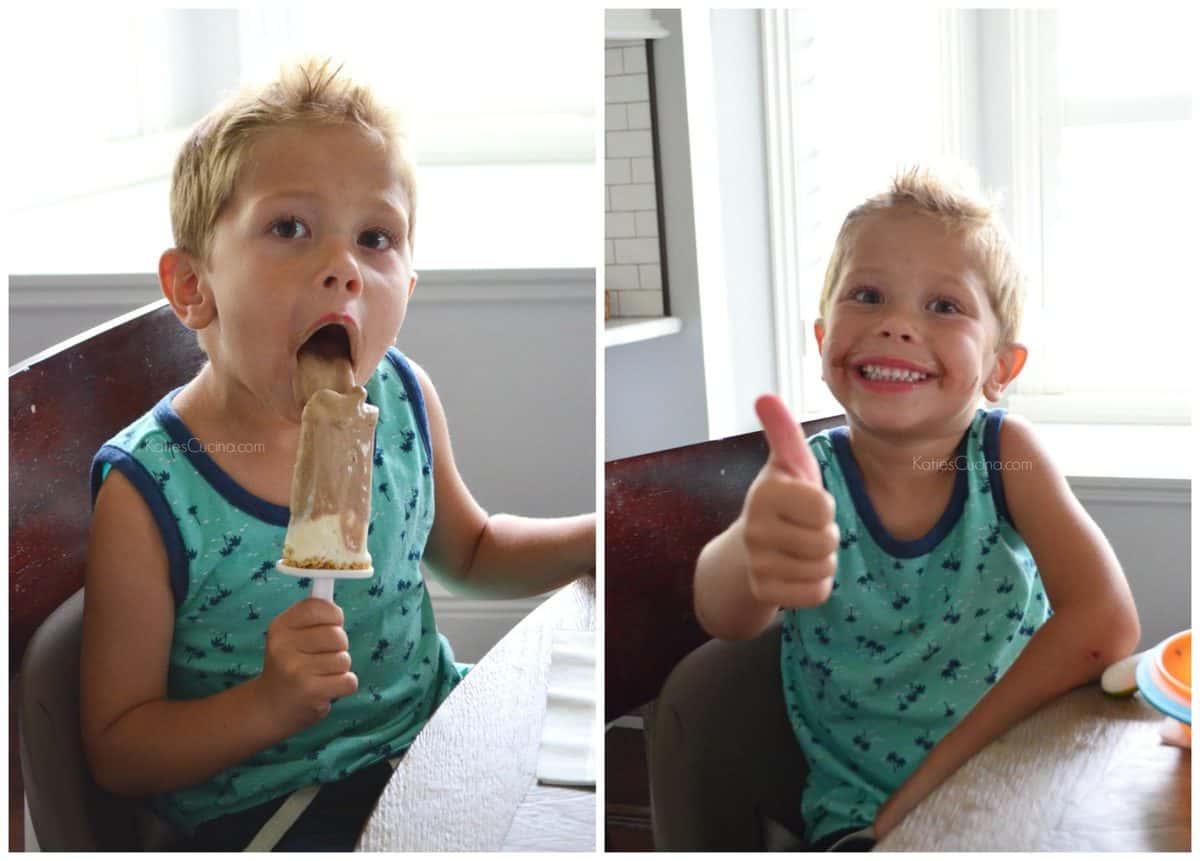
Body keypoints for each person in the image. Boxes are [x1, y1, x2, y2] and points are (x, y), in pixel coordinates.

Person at [80, 58, 595, 851]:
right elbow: (118, 748)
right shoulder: (150, 489)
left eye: (376, 239)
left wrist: (600, 535)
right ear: (192, 287)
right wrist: (267, 702)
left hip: (433, 745)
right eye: (290, 227)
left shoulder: (401, 398)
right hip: (273, 810)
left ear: (409, 288)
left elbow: (474, 550)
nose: (344, 268)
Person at [661, 165, 1139, 850]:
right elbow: (726, 612)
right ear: (823, 337)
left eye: (943, 306)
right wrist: (750, 551)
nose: (895, 325)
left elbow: (1105, 623)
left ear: (1002, 367)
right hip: (864, 828)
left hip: (1027, 791)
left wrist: (927, 786)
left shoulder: (1007, 456)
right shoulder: (807, 476)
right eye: (868, 295)